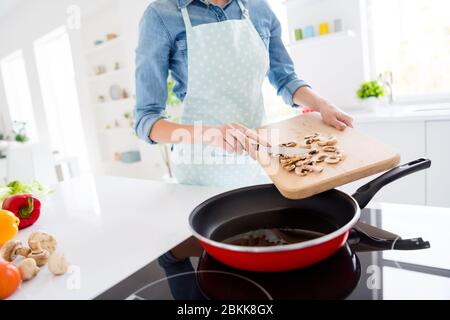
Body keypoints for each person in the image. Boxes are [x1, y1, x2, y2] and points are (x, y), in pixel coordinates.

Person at [134, 0, 353, 187]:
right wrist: (211, 134)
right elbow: (147, 120)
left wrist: (321, 104)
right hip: (200, 170)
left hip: (258, 160)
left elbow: (285, 78)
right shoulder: (161, 15)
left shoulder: (258, 7)